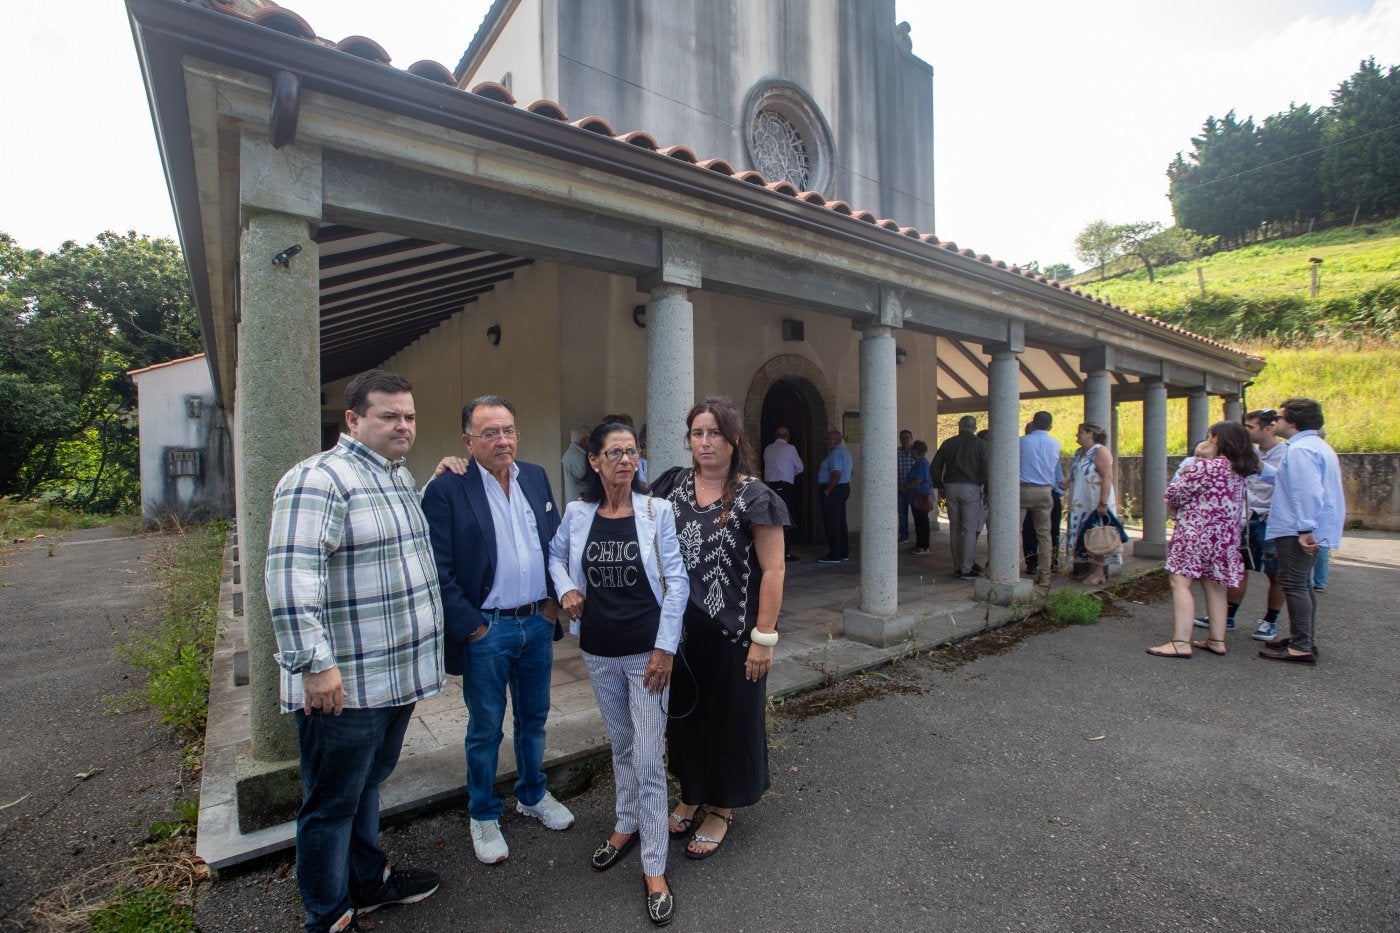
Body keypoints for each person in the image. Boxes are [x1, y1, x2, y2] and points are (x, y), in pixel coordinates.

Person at [265, 369, 445, 933]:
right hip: (345, 686)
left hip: (395, 679)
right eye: (389, 416)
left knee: (366, 786)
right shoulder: (320, 479)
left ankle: (367, 883)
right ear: (353, 420)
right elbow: (291, 578)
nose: (403, 425)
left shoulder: (393, 477)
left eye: (409, 416)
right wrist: (314, 666)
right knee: (330, 804)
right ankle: (327, 915)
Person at [421, 395, 575, 866]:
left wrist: (552, 604)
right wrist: (473, 629)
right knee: (485, 728)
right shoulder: (448, 488)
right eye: (489, 433)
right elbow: (438, 570)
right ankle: (484, 813)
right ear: (467, 440)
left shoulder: (536, 476)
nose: (502, 440)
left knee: (534, 719)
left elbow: (553, 544)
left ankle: (532, 794)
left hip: (535, 622)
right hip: (488, 630)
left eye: (508, 430)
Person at [548, 421, 688, 926]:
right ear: (594, 460)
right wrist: (566, 589)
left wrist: (664, 649)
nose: (625, 460)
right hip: (599, 653)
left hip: (647, 655)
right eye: (614, 452)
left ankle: (655, 867)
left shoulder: (657, 511)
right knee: (622, 745)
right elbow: (555, 556)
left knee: (650, 759)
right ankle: (626, 823)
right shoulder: (578, 513)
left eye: (631, 452)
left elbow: (677, 582)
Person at [649, 397, 789, 862]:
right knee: (686, 718)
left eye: (714, 433)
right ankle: (691, 793)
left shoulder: (755, 496)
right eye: (697, 433)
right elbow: (620, 503)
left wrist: (763, 639)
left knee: (730, 721)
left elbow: (773, 571)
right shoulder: (671, 485)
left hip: (734, 636)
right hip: (682, 635)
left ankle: (721, 807)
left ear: (734, 439)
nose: (704, 442)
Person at [1148, 421, 1260, 659]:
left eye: (1209, 436)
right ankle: (1217, 640)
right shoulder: (1238, 469)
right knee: (1216, 586)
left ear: (1217, 439)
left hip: (1195, 533)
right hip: (1225, 537)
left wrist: (1186, 474)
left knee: (1180, 583)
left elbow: (1174, 495)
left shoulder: (1206, 467)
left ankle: (1180, 641)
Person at [1260, 397, 1345, 664]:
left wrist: (1305, 528)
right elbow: (1293, 482)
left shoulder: (1300, 451)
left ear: (1293, 422)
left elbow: (1306, 491)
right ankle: (1302, 638)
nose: (1276, 422)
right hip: (1306, 526)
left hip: (1296, 528)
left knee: (1294, 584)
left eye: (1281, 417)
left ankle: (1301, 645)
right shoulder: (1315, 446)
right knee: (1302, 584)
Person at [1192, 409, 1286, 637]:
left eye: (1250, 427)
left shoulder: (1287, 454)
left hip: (1270, 520)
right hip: (1244, 519)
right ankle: (1228, 616)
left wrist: (1259, 466)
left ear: (1268, 429)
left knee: (1276, 573)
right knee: (1239, 569)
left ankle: (1269, 621)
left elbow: (1284, 481)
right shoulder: (1247, 453)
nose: (1246, 431)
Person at [930, 414, 987, 578]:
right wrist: (988, 490)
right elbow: (986, 468)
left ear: (959, 426)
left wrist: (939, 485)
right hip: (971, 488)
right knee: (969, 529)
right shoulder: (980, 444)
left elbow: (935, 466)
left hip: (951, 488)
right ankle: (966, 568)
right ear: (975, 428)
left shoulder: (948, 443)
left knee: (954, 528)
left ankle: (957, 566)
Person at [1065, 422, 1121, 586]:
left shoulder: (1100, 451)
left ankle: (1099, 572)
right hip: (1080, 500)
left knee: (1098, 533)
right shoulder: (1079, 452)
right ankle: (1089, 568)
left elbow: (1107, 477)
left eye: (1080, 432)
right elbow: (1075, 472)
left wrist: (1103, 502)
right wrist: (1065, 483)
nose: (1077, 435)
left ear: (1090, 434)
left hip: (1095, 499)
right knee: (1085, 534)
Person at [1019, 411, 1063, 586]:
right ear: (1050, 426)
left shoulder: (1021, 442)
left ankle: (1009, 571)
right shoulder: (1055, 444)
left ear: (1033, 423)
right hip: (1045, 491)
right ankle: (1044, 576)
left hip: (1022, 490)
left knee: (1014, 532)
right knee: (1044, 534)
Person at [762, 426, 804, 560]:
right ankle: (785, 552)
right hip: (785, 487)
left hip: (769, 487)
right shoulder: (790, 449)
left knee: (771, 519)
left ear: (775, 436)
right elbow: (800, 468)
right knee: (786, 519)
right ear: (787, 436)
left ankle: (771, 552)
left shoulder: (768, 448)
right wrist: (788, 474)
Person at [816, 429, 853, 563]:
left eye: (829, 439)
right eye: (826, 439)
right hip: (843, 488)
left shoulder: (836, 454)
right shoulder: (845, 452)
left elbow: (836, 474)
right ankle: (843, 552)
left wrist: (827, 491)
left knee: (832, 523)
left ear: (838, 440)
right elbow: (850, 472)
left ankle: (835, 555)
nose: (826, 441)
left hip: (834, 489)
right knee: (841, 522)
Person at [902, 440, 934, 554]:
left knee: (922, 521)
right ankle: (919, 544)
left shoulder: (922, 463)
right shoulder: (919, 462)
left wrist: (906, 488)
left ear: (915, 450)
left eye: (911, 449)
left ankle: (924, 546)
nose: (910, 452)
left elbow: (918, 480)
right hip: (916, 495)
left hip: (920, 496)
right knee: (919, 521)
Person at [561, 424, 592, 504]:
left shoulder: (579, 454)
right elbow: (582, 476)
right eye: (589, 439)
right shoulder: (574, 455)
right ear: (584, 440)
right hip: (577, 500)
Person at [896, 429, 915, 544]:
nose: (904, 440)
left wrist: (908, 487)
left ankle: (920, 539)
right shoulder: (896, 452)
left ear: (911, 438)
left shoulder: (916, 453)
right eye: (902, 438)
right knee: (902, 514)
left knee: (917, 514)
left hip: (913, 489)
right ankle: (904, 535)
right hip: (900, 489)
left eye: (907, 438)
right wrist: (900, 487)